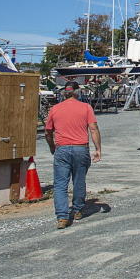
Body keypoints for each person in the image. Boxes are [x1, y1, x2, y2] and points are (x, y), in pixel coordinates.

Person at [44, 82, 102, 229]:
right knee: (79, 181)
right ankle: (77, 210)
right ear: (78, 92)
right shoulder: (86, 107)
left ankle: (62, 217)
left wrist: (52, 147)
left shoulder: (55, 109)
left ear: (65, 93)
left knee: (60, 184)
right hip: (80, 149)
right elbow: (93, 129)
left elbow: (47, 132)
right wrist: (98, 149)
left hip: (61, 149)